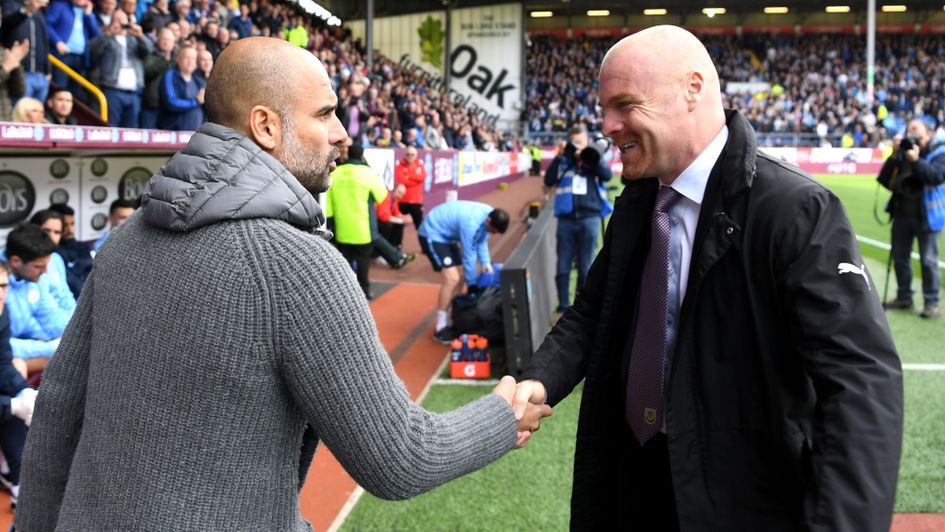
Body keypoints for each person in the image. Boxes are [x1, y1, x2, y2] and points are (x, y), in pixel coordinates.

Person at [16, 37, 550, 530]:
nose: (343, 133)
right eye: (325, 114)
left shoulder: (128, 237)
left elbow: (59, 409)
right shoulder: (297, 264)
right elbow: (399, 459)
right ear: (267, 126)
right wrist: (502, 416)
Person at [512, 25, 902, 531]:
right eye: (604, 108)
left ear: (692, 89)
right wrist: (539, 379)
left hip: (740, 497)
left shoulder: (795, 210)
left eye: (625, 104)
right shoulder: (638, 204)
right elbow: (591, 314)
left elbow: (860, 384)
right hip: (635, 481)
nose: (607, 125)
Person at [877, 118, 945, 319]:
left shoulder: (939, 152)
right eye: (908, 130)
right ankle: (904, 296)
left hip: (927, 215)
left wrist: (916, 160)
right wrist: (895, 154)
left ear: (928, 132)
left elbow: (935, 176)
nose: (911, 134)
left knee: (928, 261)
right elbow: (884, 180)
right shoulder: (903, 155)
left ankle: (931, 302)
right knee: (900, 257)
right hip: (902, 214)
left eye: (915, 130)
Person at [417, 200, 509, 344]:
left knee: (460, 277)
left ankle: (454, 317)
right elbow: (469, 255)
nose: (493, 233)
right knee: (452, 279)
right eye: (493, 230)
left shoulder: (489, 215)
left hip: (448, 237)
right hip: (432, 232)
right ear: (489, 220)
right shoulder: (471, 223)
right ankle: (440, 328)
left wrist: (486, 263)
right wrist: (472, 284)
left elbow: (481, 241)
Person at [544, 124, 613, 312]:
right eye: (574, 143)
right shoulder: (564, 161)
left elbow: (607, 176)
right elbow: (548, 180)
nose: (577, 146)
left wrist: (591, 156)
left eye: (580, 142)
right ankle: (563, 306)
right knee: (563, 267)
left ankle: (581, 308)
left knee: (585, 267)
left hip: (589, 218)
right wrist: (560, 156)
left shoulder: (592, 158)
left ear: (587, 142)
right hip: (566, 220)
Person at [323, 142, 390, 299]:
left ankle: (344, 294)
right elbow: (381, 196)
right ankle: (364, 292)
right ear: (361, 156)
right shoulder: (368, 173)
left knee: (344, 262)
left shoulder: (336, 173)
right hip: (363, 229)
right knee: (363, 262)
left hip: (342, 228)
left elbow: (328, 204)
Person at [2, 223, 71, 374]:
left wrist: (75, 334)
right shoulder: (2, 283)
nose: (45, 272)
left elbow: (49, 315)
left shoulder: (34, 278)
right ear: (15, 261)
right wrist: (49, 348)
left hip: (28, 345)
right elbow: (3, 345)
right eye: (39, 266)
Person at [0, 261, 39, 509]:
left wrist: (24, 391)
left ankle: (19, 483)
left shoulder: (2, 312)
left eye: (3, 285)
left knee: (16, 395)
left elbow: (2, 362)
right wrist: (11, 406)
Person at [88, 8, 152, 128]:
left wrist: (141, 36)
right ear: (111, 22)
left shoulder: (133, 39)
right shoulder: (106, 38)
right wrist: (109, 34)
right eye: (117, 20)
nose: (121, 23)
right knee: (112, 128)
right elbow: (93, 48)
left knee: (130, 130)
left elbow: (149, 50)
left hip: (133, 91)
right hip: (112, 89)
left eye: (123, 20)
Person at [1, 0, 50, 104]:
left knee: (36, 115)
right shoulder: (10, 4)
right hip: (21, 72)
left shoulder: (38, 12)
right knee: (21, 113)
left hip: (41, 75)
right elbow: (6, 24)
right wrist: (25, 11)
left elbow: (45, 41)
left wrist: (48, 70)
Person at [29, 209, 77, 313]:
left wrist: (77, 322)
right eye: (46, 231)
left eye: (57, 232)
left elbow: (65, 296)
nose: (51, 237)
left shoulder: (56, 259)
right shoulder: (23, 262)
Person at [48, 203, 93, 299]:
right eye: (65, 225)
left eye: (72, 224)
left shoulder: (82, 247)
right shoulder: (53, 255)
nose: (70, 230)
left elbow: (93, 275)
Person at [158, 44, 204, 131]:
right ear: (178, 59)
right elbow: (171, 102)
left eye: (193, 58)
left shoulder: (198, 81)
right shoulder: (170, 75)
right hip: (174, 135)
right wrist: (195, 101)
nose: (190, 61)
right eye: (187, 58)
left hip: (195, 135)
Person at [395, 146, 426, 241]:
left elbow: (422, 177)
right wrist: (414, 178)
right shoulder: (399, 166)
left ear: (416, 156)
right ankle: (397, 245)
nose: (410, 156)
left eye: (412, 154)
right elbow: (401, 180)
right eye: (408, 154)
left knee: (420, 226)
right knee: (398, 225)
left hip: (416, 201)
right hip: (402, 201)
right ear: (405, 155)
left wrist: (408, 176)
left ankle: (425, 246)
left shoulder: (420, 166)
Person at [0, 39, 26, 121]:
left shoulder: (4, 52)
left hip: (5, 118)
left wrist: (16, 65)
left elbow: (18, 91)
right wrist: (6, 68)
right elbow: (6, 68)